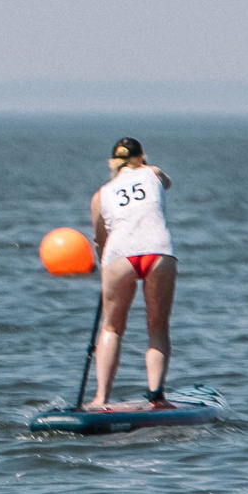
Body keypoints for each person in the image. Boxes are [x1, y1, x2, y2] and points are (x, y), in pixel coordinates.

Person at [88, 136, 176, 409]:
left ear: (112, 163)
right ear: (142, 158)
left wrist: (106, 268)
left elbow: (100, 240)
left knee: (112, 327)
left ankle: (101, 398)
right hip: (158, 251)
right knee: (157, 326)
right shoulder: (153, 173)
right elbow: (167, 183)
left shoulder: (101, 195)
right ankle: (156, 396)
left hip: (119, 255)